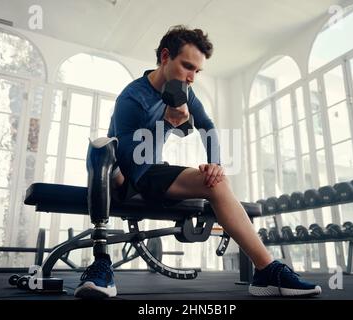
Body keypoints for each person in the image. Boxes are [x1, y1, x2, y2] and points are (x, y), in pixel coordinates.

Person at [74, 25, 322, 299]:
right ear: (165, 57)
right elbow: (133, 161)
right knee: (100, 149)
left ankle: (268, 270)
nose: (192, 77)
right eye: (187, 67)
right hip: (123, 174)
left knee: (216, 182)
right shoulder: (132, 97)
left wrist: (214, 163)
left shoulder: (184, 92)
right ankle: (101, 262)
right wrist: (165, 122)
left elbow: (208, 126)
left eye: (197, 71)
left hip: (154, 171)